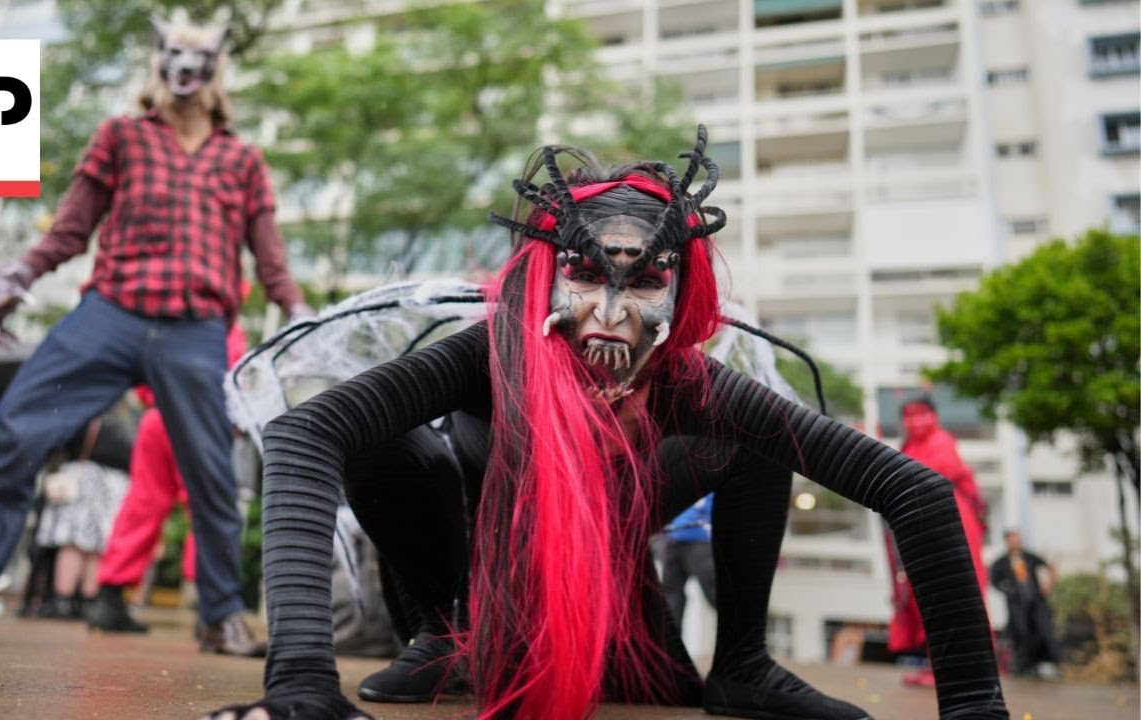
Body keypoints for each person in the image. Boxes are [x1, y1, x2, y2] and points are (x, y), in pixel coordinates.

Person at [204, 127, 1009, 720]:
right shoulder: (491, 350)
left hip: (618, 520)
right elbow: (306, 434)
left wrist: (973, 705)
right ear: (545, 275)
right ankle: (444, 634)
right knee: (390, 444)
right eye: (584, 275)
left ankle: (744, 661)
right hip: (483, 533)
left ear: (679, 292)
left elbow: (919, 494)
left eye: (646, 279)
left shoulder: (692, 380)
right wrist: (303, 682)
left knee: (764, 438)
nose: (611, 314)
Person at [0, 17, 304, 658]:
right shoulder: (121, 135)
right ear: (158, 60)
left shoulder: (242, 158)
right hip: (110, 314)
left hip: (197, 329)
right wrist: (20, 272)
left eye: (198, 55)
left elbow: (270, 258)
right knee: (14, 430)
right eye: (173, 53)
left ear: (217, 65)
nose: (185, 66)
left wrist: (295, 311)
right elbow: (70, 229)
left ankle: (221, 615)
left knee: (211, 473)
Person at [85, 320, 246, 637]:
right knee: (207, 507)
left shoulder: (169, 319)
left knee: (142, 503)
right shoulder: (225, 328)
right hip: (200, 420)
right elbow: (233, 379)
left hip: (158, 416)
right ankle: (212, 611)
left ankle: (109, 598)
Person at [886, 396, 991, 687]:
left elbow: (933, 477)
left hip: (949, 521)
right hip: (922, 524)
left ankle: (964, 671)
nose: (917, 421)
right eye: (910, 415)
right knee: (928, 597)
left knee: (953, 592)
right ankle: (940, 668)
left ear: (935, 415)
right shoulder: (909, 445)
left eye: (922, 414)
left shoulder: (941, 441)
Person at [31, 415, 134, 619]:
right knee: (96, 548)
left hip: (84, 480)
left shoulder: (87, 416)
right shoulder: (120, 424)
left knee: (74, 545)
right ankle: (88, 601)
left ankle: (63, 600)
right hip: (112, 485)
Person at [990, 529, 1059, 678]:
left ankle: (1047, 663)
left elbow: (1051, 568)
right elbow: (994, 580)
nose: (1017, 542)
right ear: (1007, 541)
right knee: (1021, 632)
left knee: (1043, 629)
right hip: (1016, 605)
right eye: (1013, 539)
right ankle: (1022, 666)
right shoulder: (1001, 562)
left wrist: (1048, 585)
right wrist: (1007, 591)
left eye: (1018, 539)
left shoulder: (1030, 557)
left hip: (1036, 602)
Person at [659, 493, 716, 631]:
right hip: (672, 540)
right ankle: (671, 648)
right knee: (671, 597)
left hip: (700, 541)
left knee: (714, 594)